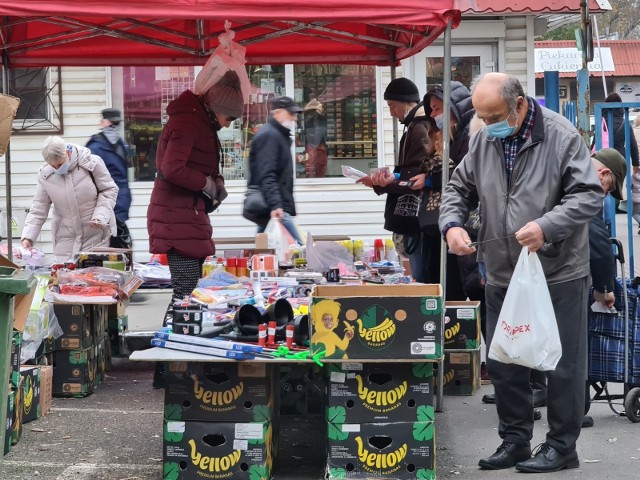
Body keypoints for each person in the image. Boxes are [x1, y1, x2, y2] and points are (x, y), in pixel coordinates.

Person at [440, 72, 603, 473]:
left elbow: (588, 195)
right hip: (501, 270)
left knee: (562, 364)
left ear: (519, 104)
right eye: (480, 115)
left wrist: (547, 225)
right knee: (505, 360)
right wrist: (453, 225)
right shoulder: (483, 139)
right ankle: (514, 440)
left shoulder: (562, 137)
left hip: (558, 269)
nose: (487, 123)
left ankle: (562, 446)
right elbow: (456, 189)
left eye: (494, 114)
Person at [147, 69, 242, 324]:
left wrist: (216, 182)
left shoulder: (200, 123)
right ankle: (168, 355)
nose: (228, 124)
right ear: (216, 107)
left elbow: (200, 165)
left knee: (189, 292)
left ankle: (176, 347)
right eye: (229, 117)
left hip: (187, 215)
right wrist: (208, 185)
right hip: (176, 217)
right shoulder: (188, 123)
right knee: (185, 293)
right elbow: (172, 168)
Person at [356, 78, 432, 282]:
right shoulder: (413, 126)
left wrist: (388, 182)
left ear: (407, 102)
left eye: (392, 106)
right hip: (417, 217)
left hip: (418, 217)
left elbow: (418, 174)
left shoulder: (419, 127)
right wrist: (387, 180)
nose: (391, 112)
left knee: (422, 275)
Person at [21, 136, 118, 263]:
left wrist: (100, 216)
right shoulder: (45, 175)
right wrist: (28, 237)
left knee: (93, 278)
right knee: (66, 279)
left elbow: (109, 190)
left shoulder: (91, 163)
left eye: (60, 164)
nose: (56, 168)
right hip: (65, 239)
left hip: (96, 234)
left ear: (67, 152)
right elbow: (38, 208)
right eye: (53, 166)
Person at [246, 96, 304, 245]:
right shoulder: (270, 136)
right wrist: (276, 205)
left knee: (264, 247)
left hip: (273, 205)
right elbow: (267, 174)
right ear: (277, 113)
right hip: (275, 207)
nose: (294, 118)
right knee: (299, 250)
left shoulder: (277, 135)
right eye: (291, 113)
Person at [86, 108, 131, 223]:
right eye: (111, 122)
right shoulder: (95, 147)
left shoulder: (122, 145)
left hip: (121, 205)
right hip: (102, 206)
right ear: (102, 123)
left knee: (120, 239)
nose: (114, 126)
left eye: (116, 123)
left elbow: (123, 177)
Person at [303, 98, 328, 178]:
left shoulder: (307, 115)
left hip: (313, 146)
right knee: (318, 170)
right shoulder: (317, 115)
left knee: (311, 170)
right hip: (316, 146)